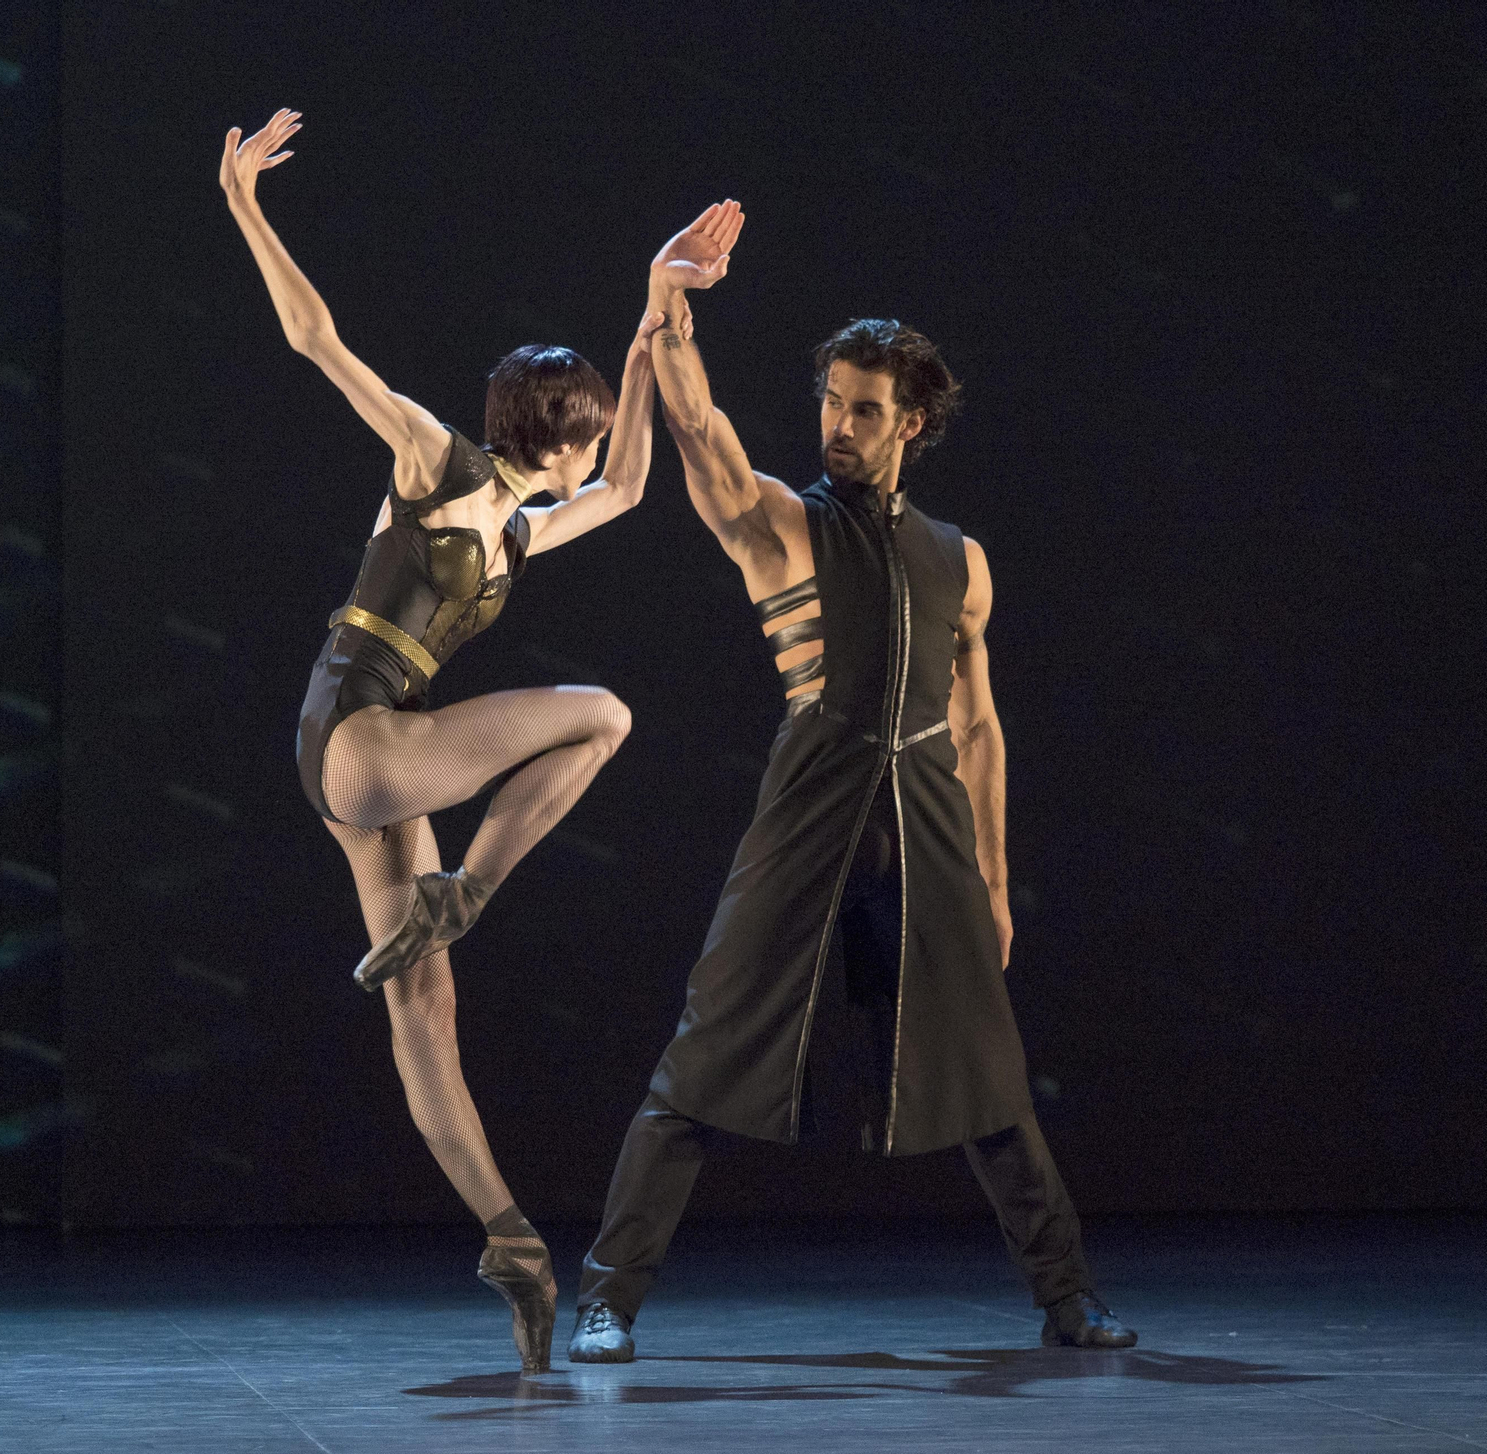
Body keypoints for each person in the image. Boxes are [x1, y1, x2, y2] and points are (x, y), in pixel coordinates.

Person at [570, 202, 1136, 1362]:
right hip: (814, 797)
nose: (836, 421)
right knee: (708, 1045)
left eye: (862, 408)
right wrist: (663, 300)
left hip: (923, 821)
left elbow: (976, 726)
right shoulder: (782, 525)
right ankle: (606, 1299)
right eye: (829, 399)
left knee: (987, 1069)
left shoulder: (960, 562)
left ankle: (1068, 1297)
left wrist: (991, 876)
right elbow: (697, 431)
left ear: (910, 423)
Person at [220, 110, 678, 1375]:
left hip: (362, 762)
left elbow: (633, 486)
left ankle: (512, 1244)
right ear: (559, 425)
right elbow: (317, 342)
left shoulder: (525, 523)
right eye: (585, 421)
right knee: (602, 712)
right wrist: (246, 204)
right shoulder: (439, 463)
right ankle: (463, 890)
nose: (591, 444)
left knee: (424, 1013)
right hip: (364, 734)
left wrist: (655, 318)